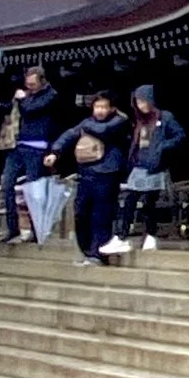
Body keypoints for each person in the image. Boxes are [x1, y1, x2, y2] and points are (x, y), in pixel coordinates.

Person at [52, 90, 133, 267]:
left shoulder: (120, 120)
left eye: (104, 107)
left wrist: (84, 127)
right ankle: (87, 251)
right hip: (86, 173)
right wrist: (55, 151)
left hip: (107, 173)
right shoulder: (88, 122)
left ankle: (98, 253)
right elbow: (70, 134)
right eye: (97, 106)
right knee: (81, 213)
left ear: (111, 108)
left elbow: (103, 131)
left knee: (101, 215)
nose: (100, 111)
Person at [115, 85, 184, 251]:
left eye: (144, 101)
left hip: (155, 167)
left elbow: (180, 135)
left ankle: (151, 235)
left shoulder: (165, 117)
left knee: (149, 204)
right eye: (138, 102)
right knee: (130, 200)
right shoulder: (140, 120)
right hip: (139, 166)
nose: (142, 105)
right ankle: (122, 235)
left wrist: (162, 146)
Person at [1, 67, 58, 244]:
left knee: (33, 189)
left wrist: (23, 99)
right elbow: (14, 109)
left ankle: (36, 229)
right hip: (18, 145)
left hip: (38, 147)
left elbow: (32, 109)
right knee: (6, 183)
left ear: (41, 81)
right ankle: (12, 228)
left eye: (33, 84)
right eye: (28, 84)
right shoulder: (27, 95)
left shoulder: (51, 95)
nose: (30, 87)